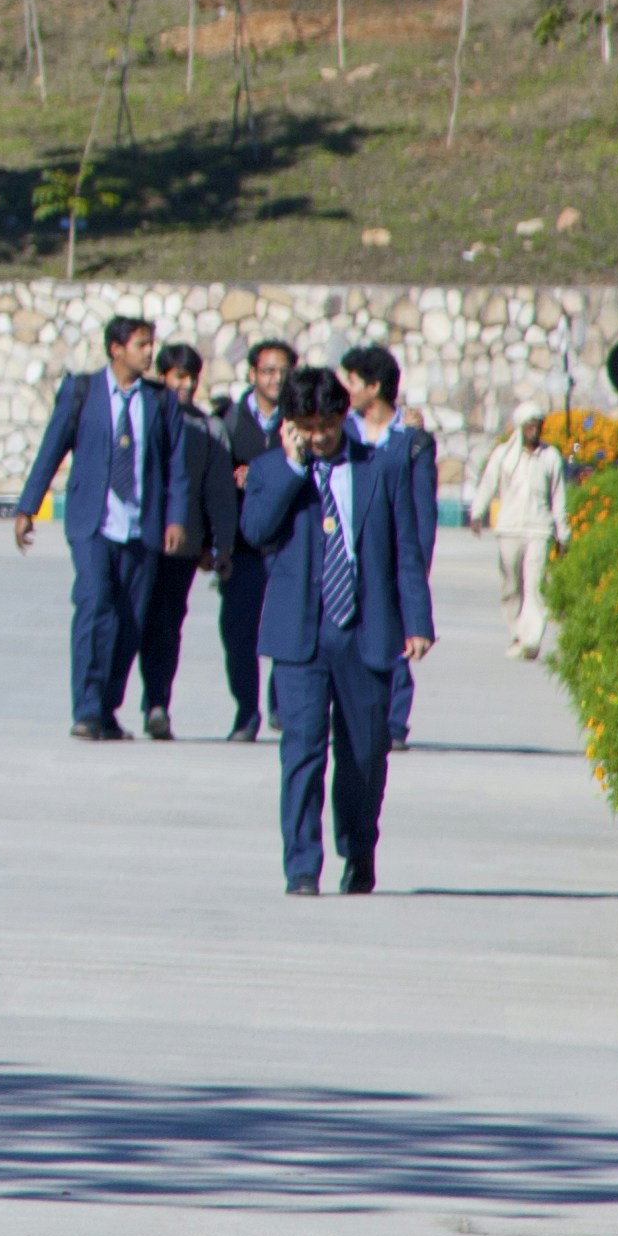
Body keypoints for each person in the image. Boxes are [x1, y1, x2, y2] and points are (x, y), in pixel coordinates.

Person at [233, 369, 426, 896]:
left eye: (323, 425)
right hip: (300, 634)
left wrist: (417, 621)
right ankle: (301, 864)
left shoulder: (381, 470)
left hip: (365, 631)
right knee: (301, 750)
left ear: (343, 416)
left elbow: (404, 548)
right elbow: (255, 532)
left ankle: (358, 847)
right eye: (304, 426)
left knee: (364, 753)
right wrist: (295, 468)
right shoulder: (273, 470)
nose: (316, 437)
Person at [13, 316, 197, 740]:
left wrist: (174, 518)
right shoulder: (83, 392)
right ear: (116, 349)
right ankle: (86, 708)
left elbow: (176, 467)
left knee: (130, 621)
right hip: (93, 523)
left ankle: (107, 710)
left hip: (141, 526)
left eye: (151, 344)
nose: (150, 353)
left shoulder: (161, 402)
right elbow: (52, 448)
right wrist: (28, 505)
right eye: (140, 344)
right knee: (96, 606)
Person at [341, 345, 441, 742]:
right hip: (351, 553)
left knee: (397, 631)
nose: (344, 389)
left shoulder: (412, 440)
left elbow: (422, 508)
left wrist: (418, 562)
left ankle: (394, 720)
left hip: (395, 553)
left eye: (350, 381)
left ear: (373, 386)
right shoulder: (343, 432)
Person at [206, 342, 295, 742]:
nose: (275, 379)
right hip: (242, 547)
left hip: (287, 545)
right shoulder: (227, 420)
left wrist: (261, 475)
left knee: (288, 628)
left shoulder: (298, 422)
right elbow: (210, 480)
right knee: (238, 634)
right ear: (252, 375)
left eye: (282, 372)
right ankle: (246, 711)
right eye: (268, 371)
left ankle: (281, 706)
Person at [472, 412, 574, 661]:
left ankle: (531, 638)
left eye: (537, 426)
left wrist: (563, 534)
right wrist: (477, 513)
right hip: (509, 529)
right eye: (529, 426)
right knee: (511, 585)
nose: (534, 430)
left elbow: (557, 497)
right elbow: (488, 483)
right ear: (521, 427)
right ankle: (518, 632)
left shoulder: (550, 457)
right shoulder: (504, 456)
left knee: (535, 584)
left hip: (539, 529)